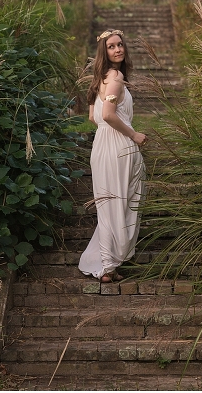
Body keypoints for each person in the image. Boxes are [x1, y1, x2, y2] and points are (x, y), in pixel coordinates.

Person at [78, 29, 147, 283]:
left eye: (120, 45)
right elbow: (107, 114)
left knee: (108, 206)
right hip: (119, 147)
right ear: (104, 52)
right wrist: (132, 134)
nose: (118, 49)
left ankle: (108, 266)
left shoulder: (99, 79)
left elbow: (92, 117)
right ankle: (110, 264)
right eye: (111, 47)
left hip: (102, 147)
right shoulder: (116, 77)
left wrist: (109, 135)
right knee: (122, 203)